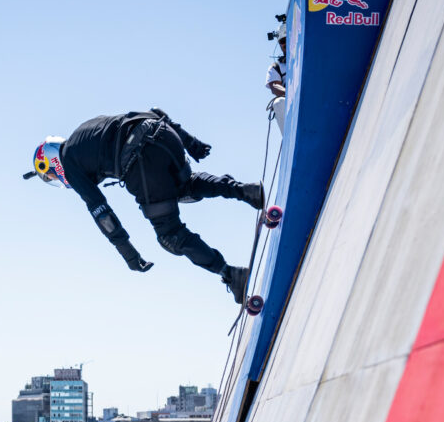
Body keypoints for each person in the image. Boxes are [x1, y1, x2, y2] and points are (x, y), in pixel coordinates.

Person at [23, 109, 264, 304]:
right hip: (163, 134)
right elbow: (150, 112)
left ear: (52, 162)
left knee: (170, 236)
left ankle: (232, 275)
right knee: (184, 186)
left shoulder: (70, 162)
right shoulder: (87, 130)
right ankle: (247, 191)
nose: (59, 180)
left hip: (140, 159)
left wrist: (129, 254)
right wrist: (190, 142)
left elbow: (101, 212)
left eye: (52, 177)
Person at [266, 21, 287, 132]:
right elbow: (274, 86)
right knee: (278, 103)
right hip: (290, 102)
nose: (286, 44)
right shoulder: (276, 67)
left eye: (289, 39)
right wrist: (293, 94)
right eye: (282, 41)